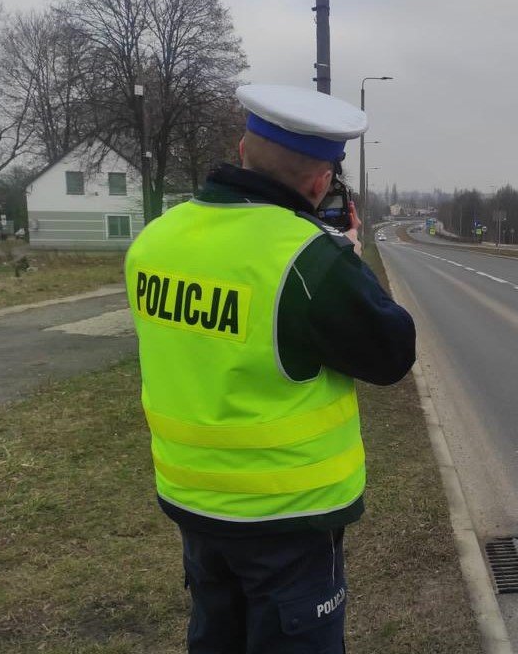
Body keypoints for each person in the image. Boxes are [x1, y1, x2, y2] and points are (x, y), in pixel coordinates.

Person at [125, 84, 416, 653]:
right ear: (321, 182)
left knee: (216, 637)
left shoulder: (154, 239)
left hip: (193, 503)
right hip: (287, 517)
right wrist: (347, 258)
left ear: (242, 150)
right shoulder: (310, 258)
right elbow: (391, 354)